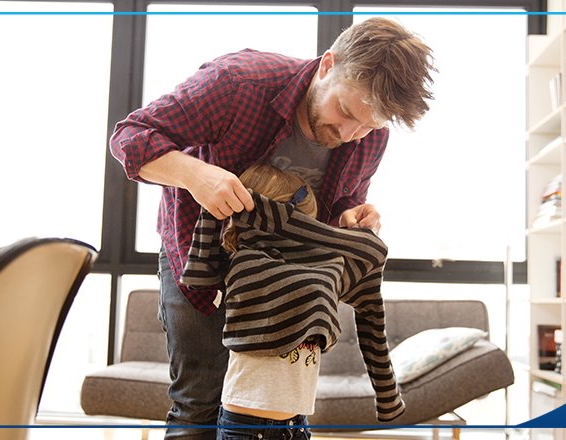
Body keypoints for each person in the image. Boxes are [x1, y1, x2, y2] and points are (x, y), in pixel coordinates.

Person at [109, 16, 435, 440]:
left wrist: (351, 218)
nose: (350, 134)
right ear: (327, 65)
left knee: (274, 415)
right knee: (199, 403)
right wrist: (195, 174)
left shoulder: (369, 136)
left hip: (282, 279)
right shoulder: (238, 82)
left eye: (370, 126)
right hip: (198, 255)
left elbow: (340, 204)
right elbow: (131, 135)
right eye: (345, 112)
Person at [179, 163, 404, 440]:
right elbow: (197, 276)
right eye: (304, 220)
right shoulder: (244, 263)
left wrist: (387, 395)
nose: (307, 232)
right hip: (246, 426)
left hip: (297, 424)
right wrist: (215, 206)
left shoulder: (324, 272)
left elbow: (372, 280)